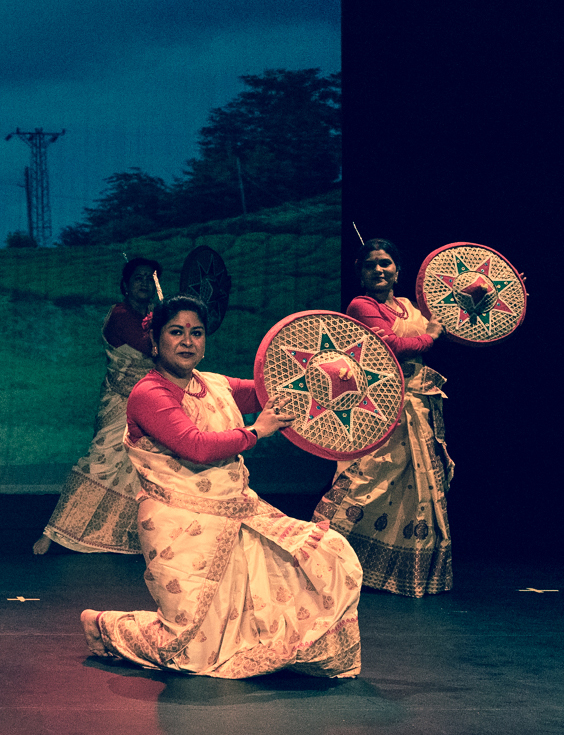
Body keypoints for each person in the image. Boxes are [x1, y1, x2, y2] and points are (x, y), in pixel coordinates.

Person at [81, 295, 362, 678]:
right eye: (176, 332)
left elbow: (269, 392)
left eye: (196, 333)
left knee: (329, 553)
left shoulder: (213, 384)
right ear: (155, 341)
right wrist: (256, 431)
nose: (187, 341)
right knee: (188, 651)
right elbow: (195, 446)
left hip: (237, 511)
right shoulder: (149, 394)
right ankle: (105, 626)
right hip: (180, 523)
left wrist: (328, 377)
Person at [313, 239, 452, 597]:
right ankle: (324, 560)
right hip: (382, 405)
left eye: (385, 263)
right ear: (360, 273)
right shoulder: (362, 306)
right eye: (370, 264)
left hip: (417, 405)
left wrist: (498, 293)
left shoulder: (408, 306)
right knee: (366, 479)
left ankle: (399, 572)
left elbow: (452, 315)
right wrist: (429, 338)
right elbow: (390, 346)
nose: (378, 269)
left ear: (398, 271)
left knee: (418, 489)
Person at [33, 257, 160, 555]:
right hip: (120, 402)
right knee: (100, 463)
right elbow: (150, 348)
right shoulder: (120, 315)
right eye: (138, 278)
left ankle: (137, 536)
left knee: (147, 467)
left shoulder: (156, 318)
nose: (144, 282)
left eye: (149, 278)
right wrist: (167, 326)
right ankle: (53, 532)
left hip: (152, 402)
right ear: (126, 285)